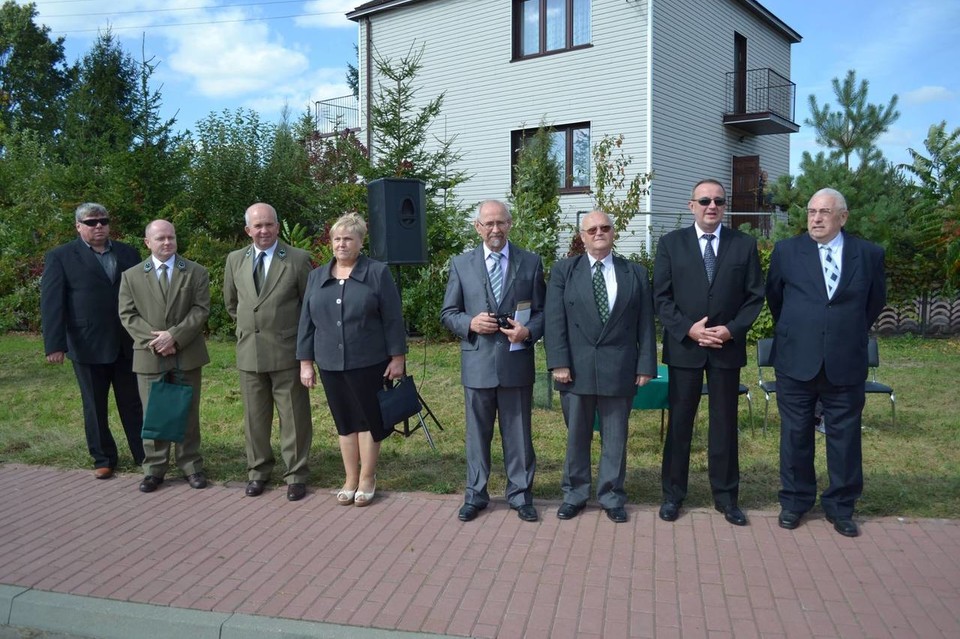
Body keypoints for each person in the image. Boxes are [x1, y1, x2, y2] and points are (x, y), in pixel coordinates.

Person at [766, 188, 886, 538]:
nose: (816, 219)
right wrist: (800, 329)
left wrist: (841, 332)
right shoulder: (787, 251)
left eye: (824, 212)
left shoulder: (868, 254)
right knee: (795, 435)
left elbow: (874, 303)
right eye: (811, 212)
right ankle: (795, 501)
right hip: (796, 359)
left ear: (842, 217)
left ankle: (841, 506)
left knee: (845, 437)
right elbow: (776, 298)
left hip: (845, 360)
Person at [653, 179, 764, 526]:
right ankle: (673, 494)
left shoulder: (743, 245)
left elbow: (754, 297)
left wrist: (731, 330)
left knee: (724, 425)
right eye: (704, 200)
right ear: (691, 206)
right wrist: (689, 328)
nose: (711, 206)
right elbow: (661, 297)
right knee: (680, 424)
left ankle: (727, 497)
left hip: (725, 350)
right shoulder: (671, 244)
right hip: (686, 348)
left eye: (718, 200)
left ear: (725, 205)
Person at [545, 210, 657, 524]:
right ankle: (575, 494)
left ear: (613, 233)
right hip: (575, 369)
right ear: (581, 237)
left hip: (619, 366)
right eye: (591, 229)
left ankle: (611, 495)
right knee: (577, 437)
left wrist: (646, 364)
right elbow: (555, 321)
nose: (598, 232)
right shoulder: (564, 271)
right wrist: (558, 362)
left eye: (605, 227)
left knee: (615, 437)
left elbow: (645, 323)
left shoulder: (633, 272)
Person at [440, 200, 545, 523]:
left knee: (519, 435)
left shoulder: (531, 262)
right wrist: (470, 323)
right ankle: (475, 494)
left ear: (510, 224)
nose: (495, 229)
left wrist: (527, 331)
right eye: (489, 224)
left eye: (501, 223)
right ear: (477, 227)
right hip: (478, 364)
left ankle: (520, 494)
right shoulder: (461, 264)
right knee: (477, 435)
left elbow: (544, 312)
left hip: (516, 363)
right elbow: (448, 313)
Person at [297, 213, 406, 507]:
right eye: (337, 239)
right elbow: (306, 322)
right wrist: (305, 362)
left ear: (360, 242)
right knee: (345, 422)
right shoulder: (316, 276)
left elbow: (393, 318)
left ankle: (368, 478)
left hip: (369, 361)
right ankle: (349, 479)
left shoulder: (377, 273)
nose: (341, 244)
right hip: (330, 363)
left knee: (368, 421)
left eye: (348, 239)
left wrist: (398, 358)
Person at [40, 203, 145, 479]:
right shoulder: (61, 256)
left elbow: (142, 295)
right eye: (91, 222)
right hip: (86, 343)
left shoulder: (128, 253)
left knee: (133, 402)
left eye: (103, 221)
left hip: (126, 342)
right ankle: (103, 458)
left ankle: (144, 454)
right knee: (95, 405)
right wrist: (55, 344)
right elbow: (52, 303)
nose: (98, 226)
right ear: (78, 226)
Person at [224, 203, 314, 502]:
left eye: (269, 225)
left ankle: (296, 474)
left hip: (287, 352)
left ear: (277, 225)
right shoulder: (235, 260)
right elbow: (232, 304)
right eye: (257, 226)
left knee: (294, 417)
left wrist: (304, 352)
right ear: (247, 230)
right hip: (249, 352)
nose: (264, 231)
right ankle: (258, 472)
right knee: (254, 418)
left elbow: (308, 307)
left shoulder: (298, 260)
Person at [118, 220, 211, 493]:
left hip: (187, 352)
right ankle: (154, 469)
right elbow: (128, 315)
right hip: (149, 355)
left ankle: (191, 465)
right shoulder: (132, 276)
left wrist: (175, 336)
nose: (167, 243)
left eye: (171, 237)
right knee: (154, 413)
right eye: (160, 238)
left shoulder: (195, 272)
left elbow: (201, 309)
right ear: (148, 242)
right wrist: (157, 341)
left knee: (187, 412)